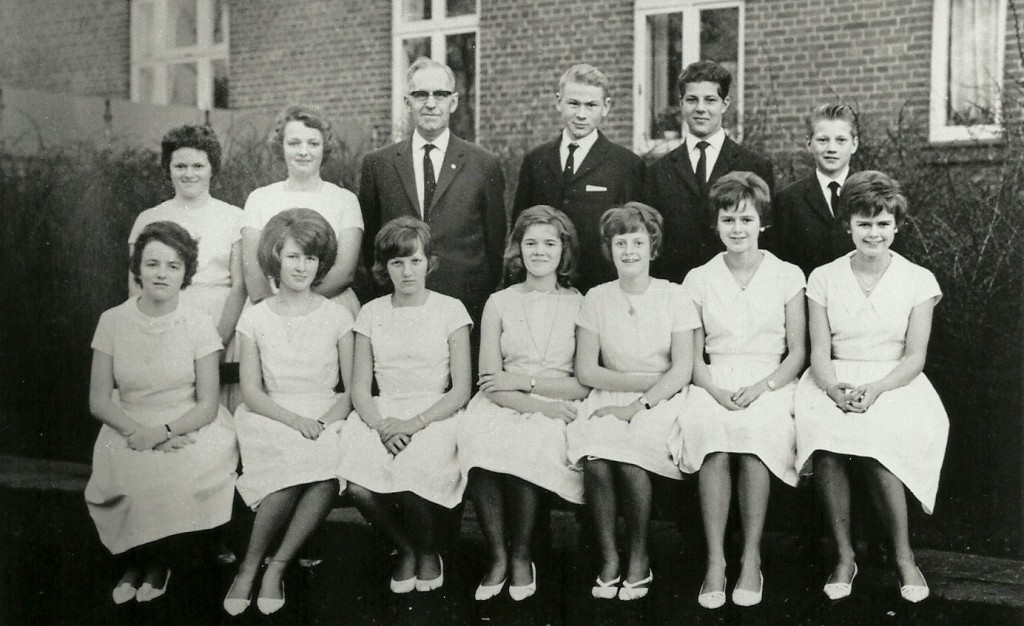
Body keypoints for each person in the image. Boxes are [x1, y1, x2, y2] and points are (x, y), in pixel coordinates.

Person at [793, 171, 947, 603]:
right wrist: (832, 388)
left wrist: (877, 389)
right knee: (826, 445)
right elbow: (818, 352)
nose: (873, 232)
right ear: (848, 225)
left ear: (897, 224)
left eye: (883, 223)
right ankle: (844, 556)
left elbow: (915, 357)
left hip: (896, 382)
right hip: (833, 378)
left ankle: (903, 556)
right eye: (864, 223)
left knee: (880, 444)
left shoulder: (918, 280)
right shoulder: (823, 278)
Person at [668, 172, 806, 609]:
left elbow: (798, 352)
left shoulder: (787, 275)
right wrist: (712, 389)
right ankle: (715, 562)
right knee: (711, 437)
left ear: (761, 221)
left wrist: (763, 386)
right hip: (714, 379)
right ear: (716, 224)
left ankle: (750, 558)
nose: (737, 228)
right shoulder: (699, 278)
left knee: (754, 439)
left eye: (746, 218)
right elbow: (692, 356)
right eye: (728, 219)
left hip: (771, 380)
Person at [86, 221, 238, 604]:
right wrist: (138, 431)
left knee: (174, 474)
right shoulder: (113, 320)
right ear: (137, 268)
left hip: (187, 422)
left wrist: (163, 432)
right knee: (131, 474)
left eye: (173, 265)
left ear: (186, 272)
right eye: (152, 264)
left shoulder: (199, 323)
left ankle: (159, 563)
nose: (161, 274)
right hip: (127, 422)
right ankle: (135, 563)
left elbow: (206, 404)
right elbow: (100, 400)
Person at [566, 202, 699, 601]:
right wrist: (636, 383)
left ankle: (639, 556)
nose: (629, 251)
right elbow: (587, 371)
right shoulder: (596, 297)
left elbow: (681, 370)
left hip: (662, 401)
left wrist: (639, 401)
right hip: (608, 394)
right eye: (620, 242)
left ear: (652, 247)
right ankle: (610, 558)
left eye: (638, 242)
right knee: (597, 456)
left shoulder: (675, 296)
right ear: (609, 249)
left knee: (632, 453)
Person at [224, 209, 354, 616]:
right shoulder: (256, 316)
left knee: (328, 464)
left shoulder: (337, 316)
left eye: (311, 258)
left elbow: (351, 391)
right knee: (292, 454)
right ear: (276, 257)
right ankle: (249, 567)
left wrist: (323, 422)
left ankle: (273, 566)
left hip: (325, 414)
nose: (302, 267)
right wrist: (294, 421)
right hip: (270, 415)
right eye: (294, 256)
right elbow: (251, 392)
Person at [458, 206, 590, 601]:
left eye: (550, 243)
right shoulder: (499, 302)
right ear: (517, 249)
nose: (539, 251)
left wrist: (538, 395)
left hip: (558, 404)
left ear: (563, 250)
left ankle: (521, 554)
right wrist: (527, 399)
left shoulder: (579, 302)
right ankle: (497, 555)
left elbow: (582, 384)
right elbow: (489, 382)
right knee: (477, 441)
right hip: (501, 403)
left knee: (527, 447)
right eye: (530, 243)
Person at [336, 217, 472, 594]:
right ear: (384, 267)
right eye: (397, 263)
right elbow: (360, 388)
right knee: (360, 484)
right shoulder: (371, 312)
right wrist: (381, 426)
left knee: (413, 474)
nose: (407, 271)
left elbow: (460, 389)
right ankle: (405, 547)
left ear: (429, 262)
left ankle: (429, 551)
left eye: (415, 260)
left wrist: (415, 423)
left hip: (435, 412)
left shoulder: (451, 309)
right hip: (381, 413)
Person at [358, 57, 505, 360]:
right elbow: (370, 244)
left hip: (463, 305)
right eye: (420, 95)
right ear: (407, 102)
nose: (430, 103)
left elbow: (494, 247)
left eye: (440, 95)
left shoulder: (483, 164)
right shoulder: (379, 164)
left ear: (453, 102)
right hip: (398, 305)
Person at [129, 124, 246, 410]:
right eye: (180, 165)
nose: (189, 173)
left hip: (219, 320)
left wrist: (217, 340)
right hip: (165, 318)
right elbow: (136, 284)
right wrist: (152, 328)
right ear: (168, 169)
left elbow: (240, 286)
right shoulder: (150, 218)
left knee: (216, 406)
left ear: (211, 168)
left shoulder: (234, 217)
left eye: (198, 165)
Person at [512, 64, 645, 292]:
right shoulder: (537, 160)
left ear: (606, 107)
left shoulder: (626, 165)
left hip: (602, 288)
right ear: (558, 102)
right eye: (573, 104)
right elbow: (519, 228)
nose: (581, 114)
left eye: (591, 105)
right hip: (545, 288)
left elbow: (634, 235)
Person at [645, 60, 775, 283]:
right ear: (681, 103)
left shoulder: (755, 166)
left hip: (734, 289)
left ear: (725, 104)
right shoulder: (658, 171)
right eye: (692, 100)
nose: (701, 109)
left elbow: (767, 239)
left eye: (710, 100)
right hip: (677, 289)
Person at [241, 104, 363, 317]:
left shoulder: (345, 200)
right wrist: (274, 314)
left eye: (313, 143)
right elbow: (253, 271)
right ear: (281, 147)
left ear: (324, 147)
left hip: (329, 307)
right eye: (294, 143)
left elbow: (344, 272)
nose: (304, 152)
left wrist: (301, 310)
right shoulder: (259, 198)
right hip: (269, 307)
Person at [771, 104, 860, 277]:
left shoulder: (871, 195)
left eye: (841, 140)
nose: (831, 148)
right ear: (809, 143)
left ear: (854, 144)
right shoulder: (788, 200)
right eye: (822, 140)